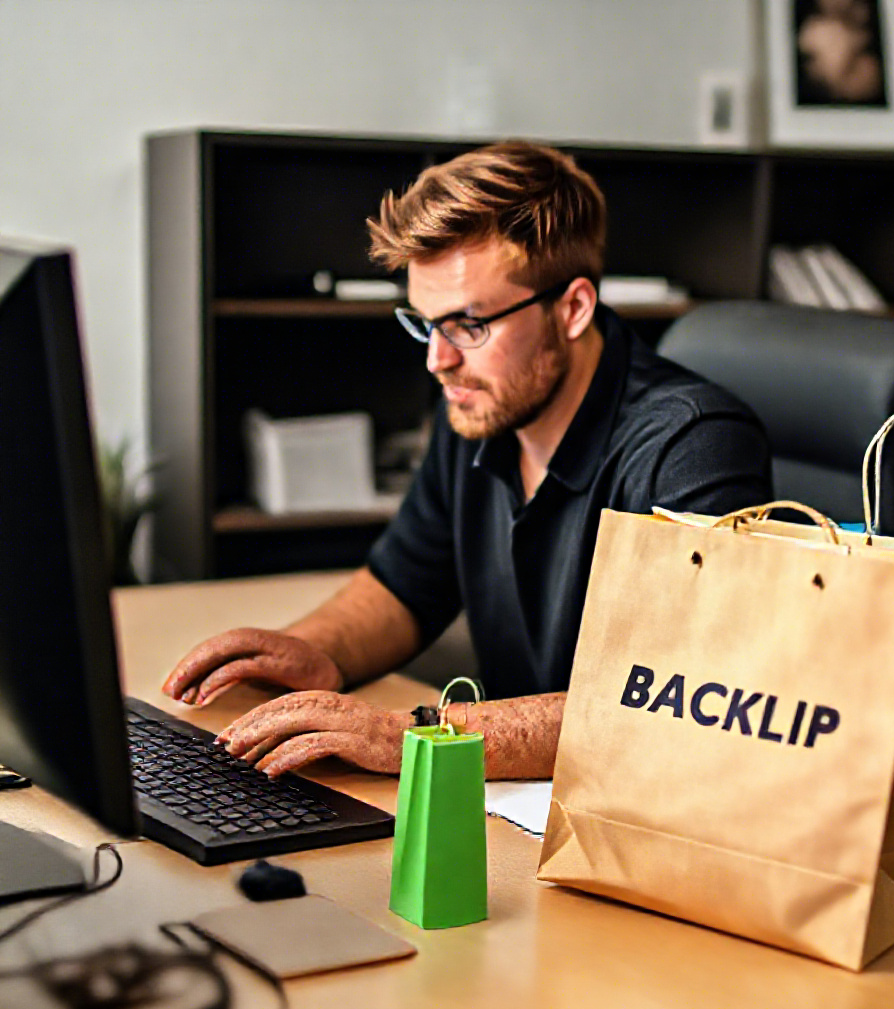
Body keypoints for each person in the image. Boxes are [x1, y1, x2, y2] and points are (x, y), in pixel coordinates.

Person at [163, 141, 772, 780]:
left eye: (469, 324)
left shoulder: (694, 445)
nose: (438, 360)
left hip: (627, 815)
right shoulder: (485, 404)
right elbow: (404, 585)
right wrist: (315, 651)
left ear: (573, 308)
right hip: (513, 800)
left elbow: (677, 705)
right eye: (425, 324)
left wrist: (413, 735)